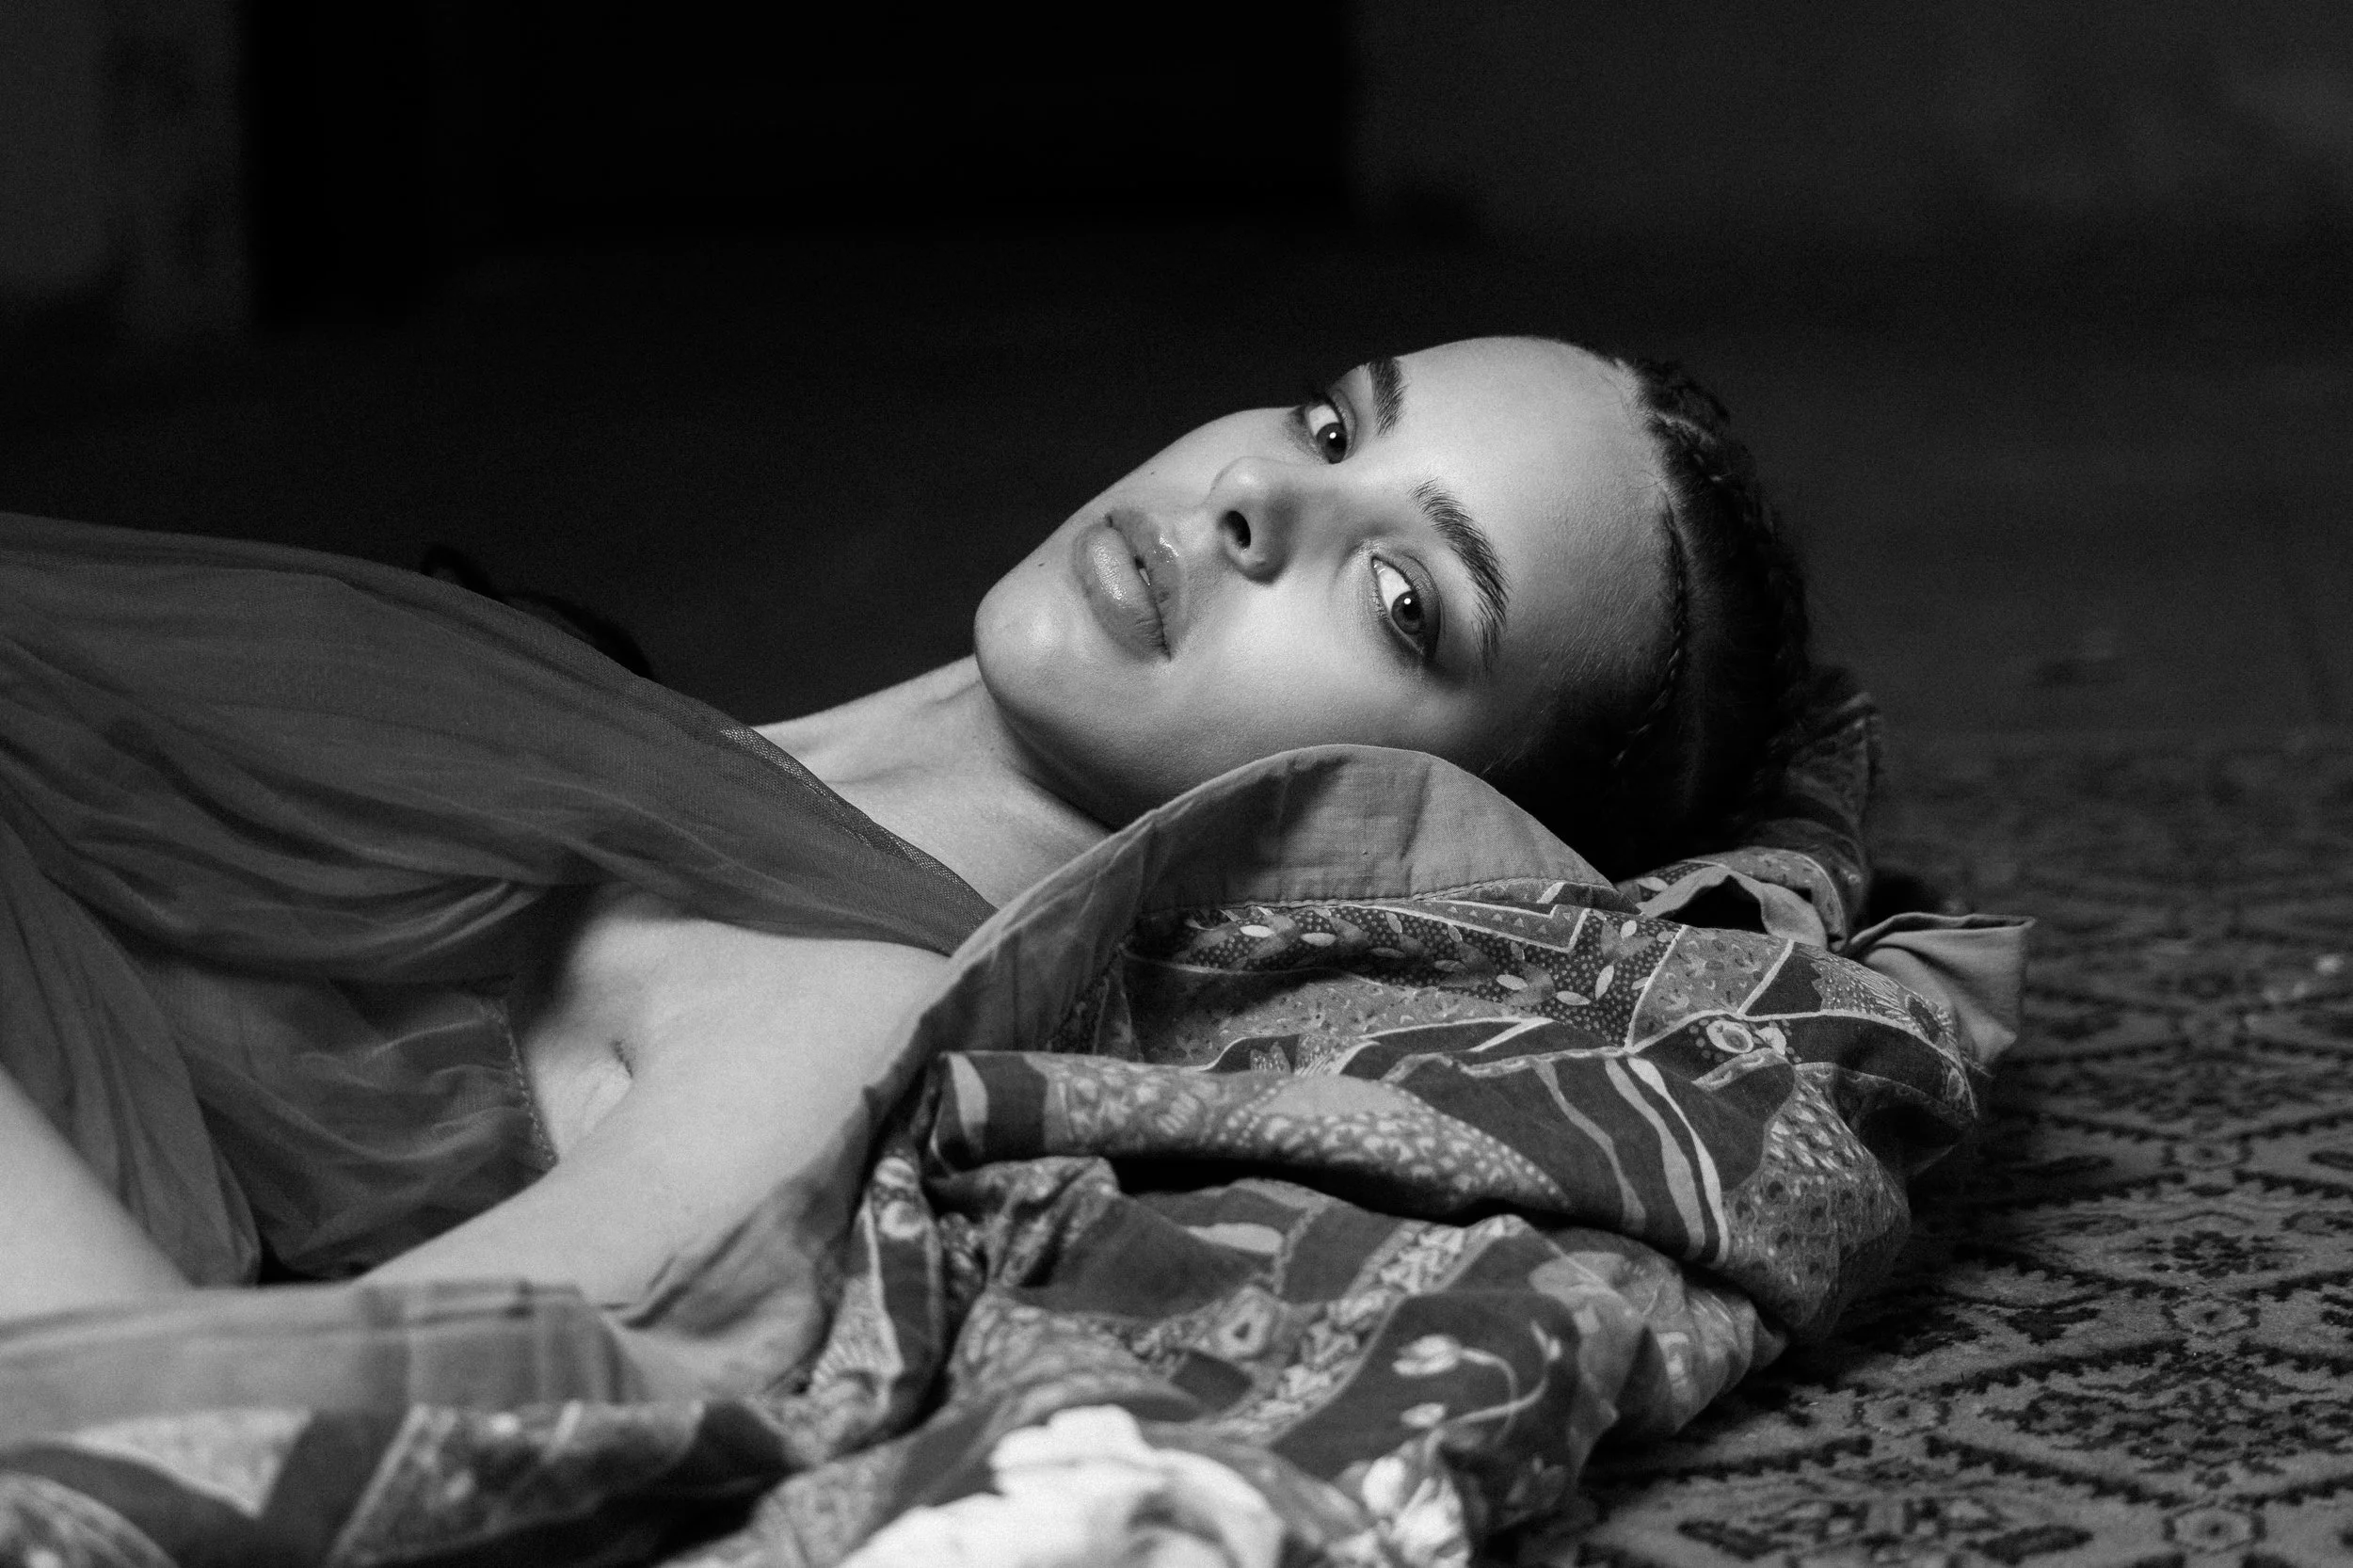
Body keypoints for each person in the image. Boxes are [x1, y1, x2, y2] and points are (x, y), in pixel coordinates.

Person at [0, 335, 1811, 1333]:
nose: (1258, 492)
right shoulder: (624, 720)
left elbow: (176, 1407)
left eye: (1407, 601)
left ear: (1443, 812)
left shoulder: (835, 1010)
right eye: (1332, 419)